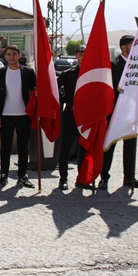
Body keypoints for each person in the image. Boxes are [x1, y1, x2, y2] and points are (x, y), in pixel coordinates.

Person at [100, 35, 138, 191]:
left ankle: (129, 178)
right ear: (123, 47)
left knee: (131, 147)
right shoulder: (112, 65)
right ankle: (103, 178)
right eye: (132, 45)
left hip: (132, 113)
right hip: (114, 113)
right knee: (109, 146)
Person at [0, 45, 36, 188]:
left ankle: (22, 175)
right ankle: (3, 175)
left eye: (14, 54)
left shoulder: (28, 72)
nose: (11, 57)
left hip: (24, 115)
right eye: (9, 54)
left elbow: (35, 92)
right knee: (6, 147)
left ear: (19, 56)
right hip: (6, 115)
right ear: (5, 57)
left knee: (23, 147)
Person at [55, 47, 86, 191]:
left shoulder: (92, 74)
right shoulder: (68, 74)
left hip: (86, 116)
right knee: (65, 147)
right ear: (76, 55)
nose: (83, 55)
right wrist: (65, 99)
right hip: (71, 114)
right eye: (80, 53)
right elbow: (54, 88)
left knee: (84, 147)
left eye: (85, 53)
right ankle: (63, 178)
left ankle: (82, 178)